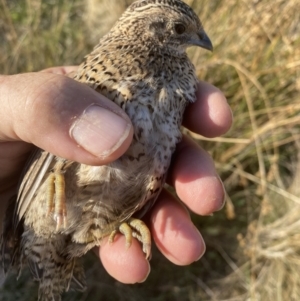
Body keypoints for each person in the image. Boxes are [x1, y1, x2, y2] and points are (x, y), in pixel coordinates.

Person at [0, 66, 232, 284]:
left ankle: (104, 226)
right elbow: (49, 147)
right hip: (37, 205)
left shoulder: (174, 85)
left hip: (89, 215)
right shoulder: (95, 74)